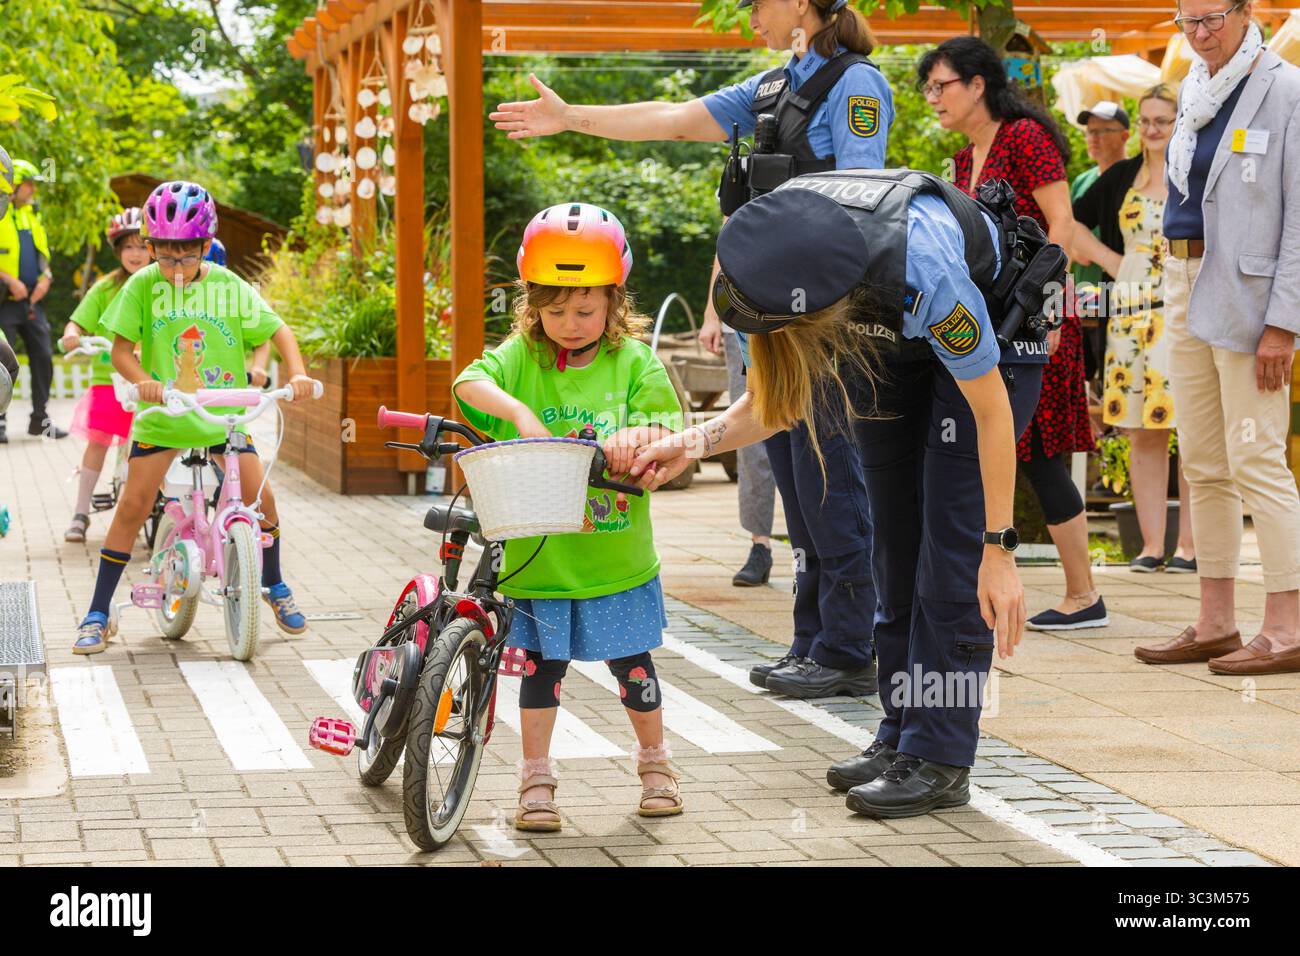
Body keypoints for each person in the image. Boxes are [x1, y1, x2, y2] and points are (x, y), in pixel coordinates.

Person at [491, 0, 892, 698]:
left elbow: (864, 197)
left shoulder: (856, 84)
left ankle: (850, 644)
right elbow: (674, 117)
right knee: (796, 485)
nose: (752, 15)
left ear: (798, 4)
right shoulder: (773, 86)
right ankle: (814, 639)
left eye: (759, 4)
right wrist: (571, 115)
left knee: (832, 480)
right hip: (774, 310)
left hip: (824, 315)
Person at [630, 168, 1056, 817]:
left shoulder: (923, 267)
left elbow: (991, 413)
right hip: (893, 345)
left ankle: (941, 757)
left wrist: (996, 549)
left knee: (948, 560)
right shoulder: (777, 250)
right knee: (895, 550)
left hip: (991, 336)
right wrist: (684, 445)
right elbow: (773, 404)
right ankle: (900, 737)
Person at [452, 203, 685, 829]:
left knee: (634, 666)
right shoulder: (521, 356)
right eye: (554, 311)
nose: (570, 324)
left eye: (585, 310)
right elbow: (468, 385)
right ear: (533, 305)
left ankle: (656, 766)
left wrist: (637, 435)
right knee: (538, 671)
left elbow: (667, 430)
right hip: (540, 560)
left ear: (614, 299)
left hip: (615, 557)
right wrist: (521, 415)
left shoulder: (635, 362)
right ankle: (536, 781)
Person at [71, 181, 319, 654]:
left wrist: (299, 373)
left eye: (186, 257)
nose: (176, 268)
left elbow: (278, 329)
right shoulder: (143, 286)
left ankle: (274, 584)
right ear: (151, 248)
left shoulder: (229, 286)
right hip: (165, 416)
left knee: (262, 498)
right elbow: (121, 351)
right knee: (132, 507)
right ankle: (98, 612)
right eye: (165, 257)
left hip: (223, 418)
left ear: (207, 246)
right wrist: (147, 380)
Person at [1134, 0, 1300, 676]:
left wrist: (1283, 323)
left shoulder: (1283, 87)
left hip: (1249, 292)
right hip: (1182, 275)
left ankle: (1286, 626)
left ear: (1246, 12)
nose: (1199, 34)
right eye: (1187, 22)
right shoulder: (1193, 90)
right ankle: (1216, 620)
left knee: (1257, 456)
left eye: (1211, 19)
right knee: (1201, 459)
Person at [918, 37, 1104, 632]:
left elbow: (1064, 226)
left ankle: (1084, 594)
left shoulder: (1025, 137)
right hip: (991, 328)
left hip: (1037, 323)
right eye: (928, 89)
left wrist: (1045, 312)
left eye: (940, 85)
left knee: (1042, 454)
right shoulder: (961, 155)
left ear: (977, 84)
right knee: (1018, 452)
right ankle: (1022, 582)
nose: (933, 98)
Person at [1071, 85, 1196, 573]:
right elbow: (1068, 224)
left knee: (1189, 430)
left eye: (1162, 120)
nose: (1152, 130)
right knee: (1142, 431)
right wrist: (1110, 260)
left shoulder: (1197, 174)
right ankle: (1149, 547)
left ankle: (1190, 546)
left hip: (1183, 314)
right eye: (1145, 121)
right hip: (1126, 315)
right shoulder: (1122, 175)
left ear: (1181, 121)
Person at [58, 209, 149, 543]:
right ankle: (81, 512)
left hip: (148, 379)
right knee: (98, 441)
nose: (136, 254)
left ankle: (154, 509)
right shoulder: (105, 287)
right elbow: (77, 321)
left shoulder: (160, 285)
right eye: (128, 247)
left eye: (142, 246)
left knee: (151, 444)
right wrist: (71, 334)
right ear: (117, 251)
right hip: (108, 379)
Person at [699, 310, 777, 588]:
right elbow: (722, 264)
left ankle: (814, 554)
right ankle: (760, 544)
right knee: (751, 442)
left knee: (806, 440)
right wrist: (711, 315)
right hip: (741, 322)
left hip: (796, 319)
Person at [0, 158, 66, 442]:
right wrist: (9, 280)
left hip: (32, 301)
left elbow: (44, 257)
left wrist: (46, 279)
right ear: (12, 185)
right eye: (29, 184)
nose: (33, 191)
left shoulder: (33, 216)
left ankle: (40, 418)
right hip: (5, 300)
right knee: (4, 360)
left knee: (43, 355)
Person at [1072, 101, 1134, 381]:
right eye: (1089, 131)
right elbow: (1071, 241)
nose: (1093, 138)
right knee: (1083, 381)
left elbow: (1084, 247)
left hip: (1121, 296)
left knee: (1115, 378)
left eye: (1103, 131)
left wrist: (1087, 248)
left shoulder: (1137, 180)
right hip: (1080, 297)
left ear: (1125, 135)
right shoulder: (1082, 181)